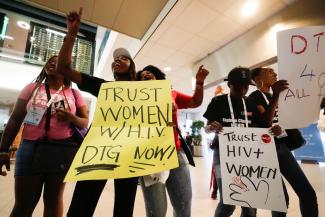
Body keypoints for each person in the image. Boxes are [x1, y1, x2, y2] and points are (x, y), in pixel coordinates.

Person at [57, 9, 139, 217]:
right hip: (99, 148)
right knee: (80, 206)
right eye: (115, 58)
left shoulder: (143, 92)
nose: (117, 60)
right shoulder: (103, 86)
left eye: (124, 58)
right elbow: (64, 68)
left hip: (130, 151)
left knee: (124, 207)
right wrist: (72, 34)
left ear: (132, 67)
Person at [0, 55, 89, 217]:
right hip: (30, 148)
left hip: (62, 151)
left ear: (66, 69)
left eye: (58, 62)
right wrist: (3, 150)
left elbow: (84, 122)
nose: (52, 63)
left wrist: (71, 117)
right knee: (23, 203)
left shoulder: (74, 93)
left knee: (53, 200)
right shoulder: (32, 88)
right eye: (50, 61)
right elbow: (15, 119)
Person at [203, 66, 283, 217]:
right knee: (228, 201)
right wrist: (210, 128)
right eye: (238, 85)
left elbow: (264, 126)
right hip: (222, 155)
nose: (243, 89)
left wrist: (274, 130)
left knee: (250, 201)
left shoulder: (250, 103)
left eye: (246, 86)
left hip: (248, 156)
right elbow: (206, 128)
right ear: (229, 85)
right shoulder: (217, 101)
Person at [136, 64, 209, 217]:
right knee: (156, 210)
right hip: (149, 156)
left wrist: (199, 83)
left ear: (157, 77)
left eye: (150, 72)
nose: (146, 74)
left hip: (175, 152)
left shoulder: (171, 93)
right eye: (142, 75)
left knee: (183, 204)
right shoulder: (135, 98)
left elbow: (195, 102)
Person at [248, 67, 318, 217]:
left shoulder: (280, 96)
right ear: (258, 79)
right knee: (280, 200)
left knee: (307, 193)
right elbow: (266, 122)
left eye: (274, 71)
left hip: (281, 147)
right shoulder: (254, 97)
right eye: (269, 72)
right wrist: (277, 94)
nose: (274, 73)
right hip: (266, 151)